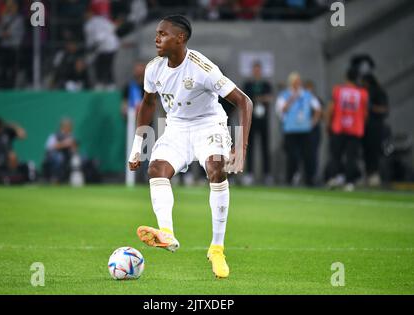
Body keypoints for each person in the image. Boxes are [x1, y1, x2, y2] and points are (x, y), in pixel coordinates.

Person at [127, 15, 253, 279]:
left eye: (163, 34)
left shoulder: (202, 68)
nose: (156, 38)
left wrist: (240, 149)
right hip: (176, 127)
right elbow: (148, 103)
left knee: (216, 168)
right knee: (156, 170)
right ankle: (167, 234)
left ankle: (217, 248)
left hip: (209, 124)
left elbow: (244, 101)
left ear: (180, 38)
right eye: (157, 33)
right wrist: (138, 144)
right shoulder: (154, 68)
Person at [325, 68, 368, 191]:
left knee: (335, 155)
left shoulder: (338, 91)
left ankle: (333, 178)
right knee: (352, 157)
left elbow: (331, 108)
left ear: (346, 77)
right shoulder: (363, 93)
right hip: (355, 129)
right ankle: (350, 182)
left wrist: (328, 124)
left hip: (339, 127)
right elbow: (365, 113)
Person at [276, 72, 321, 186]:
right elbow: (282, 110)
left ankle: (309, 179)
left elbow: (318, 108)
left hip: (305, 130)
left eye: (298, 82)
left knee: (308, 155)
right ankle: (290, 178)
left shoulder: (307, 94)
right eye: (295, 82)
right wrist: (293, 98)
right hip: (291, 130)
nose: (297, 84)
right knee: (292, 156)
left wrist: (312, 122)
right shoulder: (284, 95)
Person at [243, 61, 273, 185]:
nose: (257, 72)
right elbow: (244, 98)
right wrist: (258, 98)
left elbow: (270, 97)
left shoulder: (266, 85)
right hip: (251, 120)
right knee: (250, 147)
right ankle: (249, 174)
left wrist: (259, 98)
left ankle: (267, 174)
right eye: (255, 70)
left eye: (258, 70)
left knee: (265, 147)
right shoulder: (248, 84)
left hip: (263, 119)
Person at [361, 74, 389, 187]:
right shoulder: (364, 92)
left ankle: (374, 175)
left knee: (374, 151)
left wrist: (371, 107)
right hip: (365, 127)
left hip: (376, 126)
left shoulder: (378, 92)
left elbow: (384, 109)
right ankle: (368, 175)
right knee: (366, 151)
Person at [43, 118, 78, 183]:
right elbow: (50, 147)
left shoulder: (72, 136)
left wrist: (73, 147)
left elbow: (74, 150)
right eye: (67, 125)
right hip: (54, 156)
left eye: (70, 125)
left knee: (80, 158)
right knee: (59, 158)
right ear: (63, 126)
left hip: (68, 156)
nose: (69, 127)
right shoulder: (54, 135)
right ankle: (55, 178)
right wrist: (64, 144)